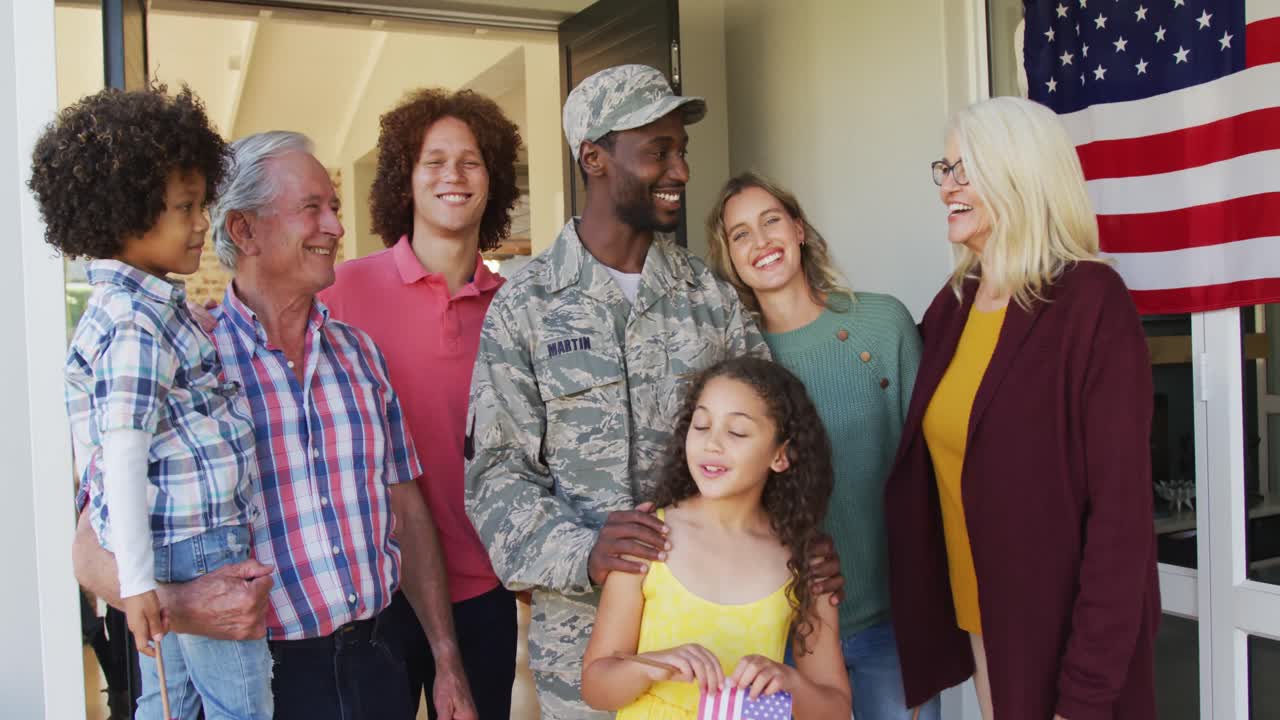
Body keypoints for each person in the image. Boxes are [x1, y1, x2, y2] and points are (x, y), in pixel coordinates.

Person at [465, 64, 845, 720]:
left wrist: (801, 548)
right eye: (658, 151)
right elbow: (496, 481)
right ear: (595, 158)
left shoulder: (710, 300)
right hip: (582, 655)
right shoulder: (525, 307)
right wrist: (586, 551)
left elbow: (772, 435)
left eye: (683, 151)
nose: (681, 171)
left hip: (714, 650)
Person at [73, 130, 476, 720]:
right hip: (263, 678)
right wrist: (183, 606)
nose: (336, 227)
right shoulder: (186, 365)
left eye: (333, 208)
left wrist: (446, 660)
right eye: (313, 208)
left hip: (379, 662)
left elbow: (405, 508)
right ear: (244, 230)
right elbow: (88, 547)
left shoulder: (361, 355)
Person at [884, 96, 1160, 719]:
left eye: (964, 170)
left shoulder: (1092, 301)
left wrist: (1084, 694)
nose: (945, 188)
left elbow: (1120, 520)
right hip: (982, 618)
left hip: (1062, 640)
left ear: (1019, 175)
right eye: (944, 169)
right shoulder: (955, 305)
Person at [30, 85, 272, 720]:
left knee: (171, 706)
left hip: (175, 544)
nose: (202, 223)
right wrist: (135, 585)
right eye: (185, 207)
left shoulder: (142, 311)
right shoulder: (136, 325)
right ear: (128, 215)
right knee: (239, 708)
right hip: (196, 542)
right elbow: (121, 455)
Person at [319, 88, 521, 719]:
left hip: (483, 589)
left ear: (493, 181)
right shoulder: (342, 289)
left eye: (470, 161)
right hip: (371, 593)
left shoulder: (516, 309)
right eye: (433, 161)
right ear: (405, 180)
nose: (452, 177)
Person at [706, 172, 938, 720]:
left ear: (800, 229)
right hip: (780, 636)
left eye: (770, 222)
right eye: (740, 236)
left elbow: (929, 466)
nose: (760, 243)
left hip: (891, 626)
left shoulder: (882, 325)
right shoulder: (738, 364)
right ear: (730, 261)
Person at [581, 356, 852, 719]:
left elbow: (835, 708)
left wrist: (789, 682)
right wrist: (649, 665)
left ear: (781, 455)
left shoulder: (805, 562)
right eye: (701, 425)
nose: (712, 444)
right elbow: (596, 688)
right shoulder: (647, 541)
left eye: (737, 432)